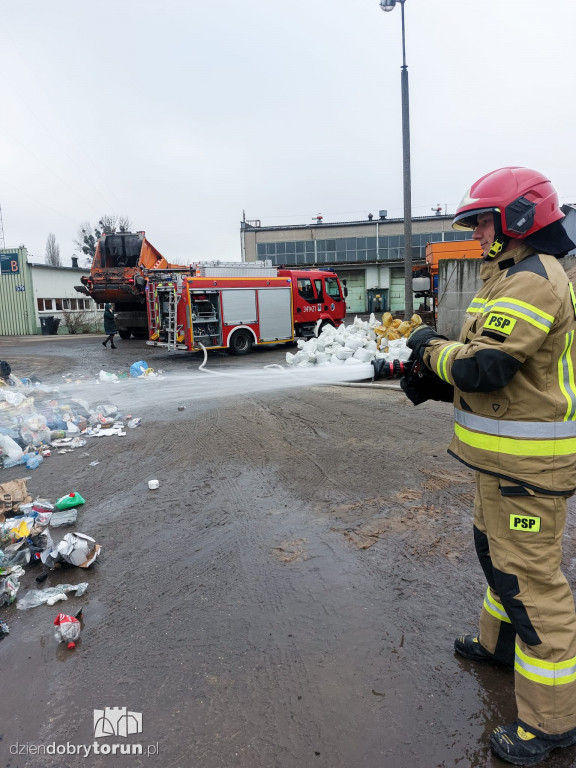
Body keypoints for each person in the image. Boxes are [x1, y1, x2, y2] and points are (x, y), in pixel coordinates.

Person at [404, 167, 576, 765]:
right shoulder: (505, 277)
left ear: (519, 219)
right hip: (499, 463)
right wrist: (434, 383)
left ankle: (551, 724)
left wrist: (427, 348)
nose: (477, 233)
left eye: (482, 221)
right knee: (494, 557)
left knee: (531, 586)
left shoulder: (535, 281)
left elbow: (486, 368)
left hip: (528, 472)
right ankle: (499, 647)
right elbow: (490, 371)